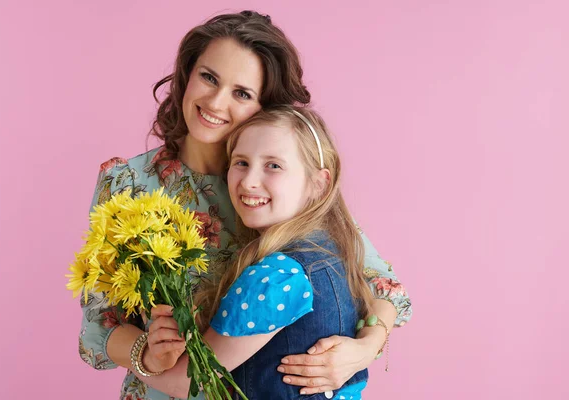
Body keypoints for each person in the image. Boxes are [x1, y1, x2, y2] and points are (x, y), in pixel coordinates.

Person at [79, 10, 412, 400]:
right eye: (208, 77)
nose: (216, 102)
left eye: (242, 93)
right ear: (186, 76)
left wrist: (363, 349)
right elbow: (97, 324)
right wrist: (147, 356)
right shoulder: (126, 184)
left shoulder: (283, 187)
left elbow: (384, 289)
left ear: (264, 105)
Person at [137, 106, 387, 400]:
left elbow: (188, 383)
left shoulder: (276, 278)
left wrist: (145, 361)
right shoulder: (337, 251)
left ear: (319, 184)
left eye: (274, 166)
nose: (249, 181)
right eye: (241, 162)